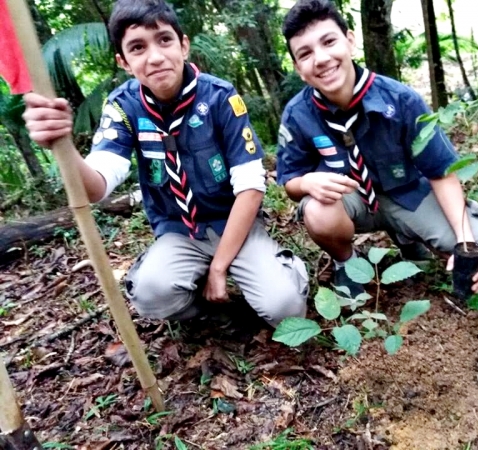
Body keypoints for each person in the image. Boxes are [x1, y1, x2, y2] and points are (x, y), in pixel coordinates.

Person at [23, 0, 308, 325]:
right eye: (137, 47)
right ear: (124, 62)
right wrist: (64, 146)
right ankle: (208, 311)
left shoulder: (219, 97)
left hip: (235, 224)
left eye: (164, 40)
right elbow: (98, 186)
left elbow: (251, 187)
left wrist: (219, 267)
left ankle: (261, 272)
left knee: (285, 308)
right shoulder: (123, 108)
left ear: (183, 45)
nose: (155, 57)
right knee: (150, 293)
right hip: (178, 232)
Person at [276, 0, 478, 297]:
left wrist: (465, 242)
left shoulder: (401, 100)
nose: (321, 58)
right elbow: (289, 180)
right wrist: (305, 182)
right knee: (317, 212)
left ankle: (408, 238)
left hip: (406, 193)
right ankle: (346, 263)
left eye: (329, 41)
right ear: (298, 68)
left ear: (350, 41)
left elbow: (441, 173)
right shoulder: (298, 114)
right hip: (349, 200)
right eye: (305, 53)